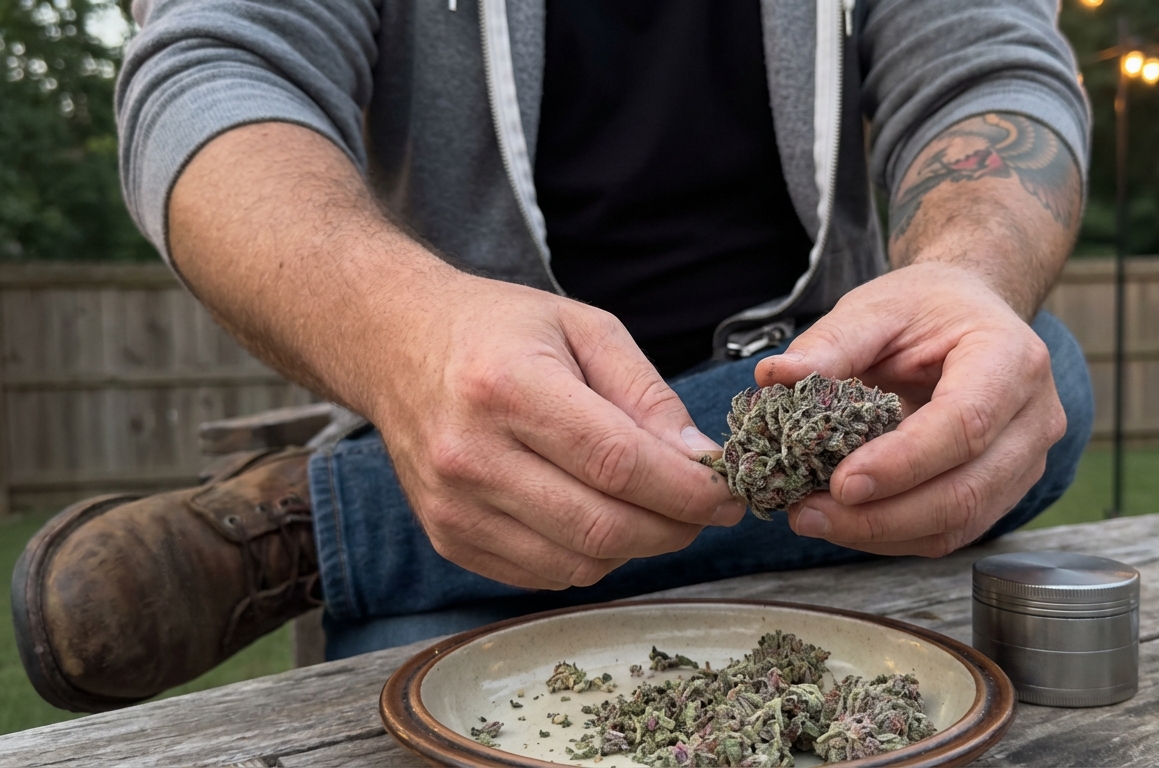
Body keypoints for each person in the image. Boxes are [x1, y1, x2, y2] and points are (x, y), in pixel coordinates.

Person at [12, 0, 1093, 713]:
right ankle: (381, 515)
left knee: (1035, 366)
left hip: (817, 420)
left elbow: (985, 61)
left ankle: (323, 525)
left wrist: (970, 276)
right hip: (466, 472)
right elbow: (215, 72)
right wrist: (405, 336)